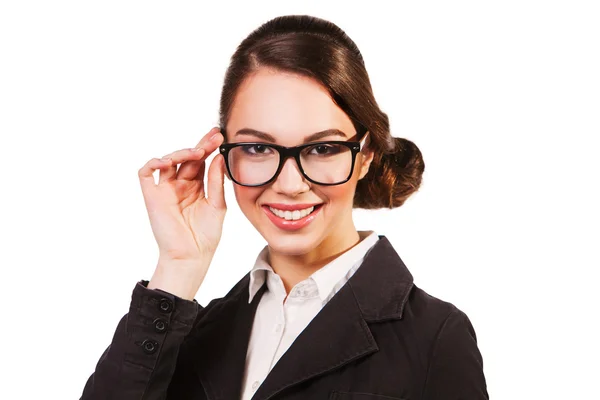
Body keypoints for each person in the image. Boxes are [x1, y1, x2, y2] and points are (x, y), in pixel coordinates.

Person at [80, 14, 488, 400]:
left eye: (323, 148)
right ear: (223, 157)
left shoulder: (436, 338)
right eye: (258, 148)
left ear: (366, 154)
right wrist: (178, 265)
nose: (290, 185)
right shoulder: (193, 332)